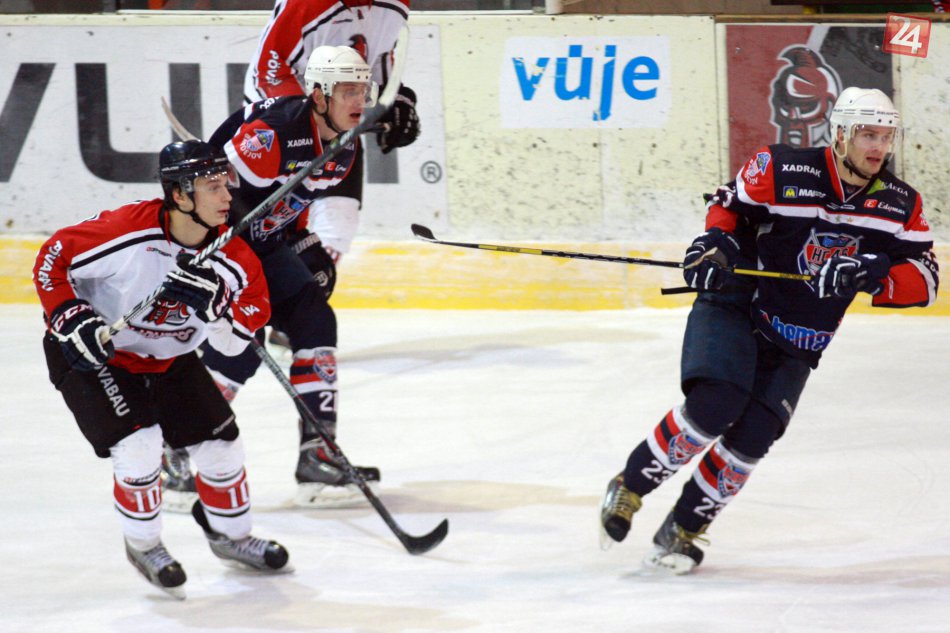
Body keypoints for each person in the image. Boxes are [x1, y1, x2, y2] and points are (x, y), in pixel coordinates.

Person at [599, 87, 939, 574]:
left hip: (802, 332)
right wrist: (714, 243)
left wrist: (875, 274)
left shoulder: (900, 204)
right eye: (868, 134)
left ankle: (683, 528)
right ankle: (630, 487)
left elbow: (926, 279)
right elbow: (728, 205)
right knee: (717, 402)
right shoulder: (783, 169)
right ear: (840, 135)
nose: (879, 147)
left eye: (886, 137)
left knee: (754, 435)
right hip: (739, 302)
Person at [161, 0, 419, 508]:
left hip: (262, 241)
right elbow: (216, 198)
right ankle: (177, 451)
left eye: (362, 90)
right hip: (221, 245)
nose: (359, 100)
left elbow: (289, 205)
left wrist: (306, 247)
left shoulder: (342, 146)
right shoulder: (272, 132)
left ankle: (317, 456)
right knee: (241, 346)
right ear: (318, 94)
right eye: (347, 91)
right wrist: (235, 267)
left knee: (314, 319)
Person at [33, 140, 290, 598]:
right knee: (140, 444)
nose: (227, 196)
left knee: (222, 447)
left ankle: (231, 536)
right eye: (212, 187)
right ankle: (144, 545)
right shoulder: (127, 230)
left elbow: (235, 342)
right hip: (99, 355)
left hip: (170, 358)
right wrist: (69, 314)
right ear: (179, 194)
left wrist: (217, 311)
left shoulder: (235, 260)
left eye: (226, 184)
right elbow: (53, 257)